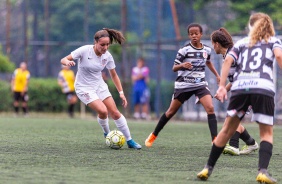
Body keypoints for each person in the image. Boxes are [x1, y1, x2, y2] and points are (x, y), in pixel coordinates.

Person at [197, 12, 282, 184]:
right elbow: (279, 56)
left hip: (241, 87)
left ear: (251, 27)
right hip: (263, 87)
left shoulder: (242, 42)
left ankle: (207, 168)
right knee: (266, 133)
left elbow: (228, 60)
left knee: (227, 129)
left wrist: (221, 87)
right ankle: (262, 172)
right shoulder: (273, 41)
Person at [60, 28, 141, 149]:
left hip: (99, 85)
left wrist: (121, 93)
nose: (105, 47)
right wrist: (67, 62)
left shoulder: (107, 56)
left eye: (107, 44)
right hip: (83, 87)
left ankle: (130, 141)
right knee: (103, 111)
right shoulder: (84, 50)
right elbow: (63, 59)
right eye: (102, 45)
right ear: (96, 42)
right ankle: (107, 133)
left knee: (115, 112)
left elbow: (114, 75)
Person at [145, 23, 220, 147]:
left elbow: (208, 62)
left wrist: (217, 75)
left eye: (196, 34)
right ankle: (154, 134)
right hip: (183, 85)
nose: (194, 36)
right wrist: (182, 65)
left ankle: (215, 140)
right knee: (170, 112)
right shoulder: (184, 50)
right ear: (189, 36)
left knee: (210, 108)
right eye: (191, 34)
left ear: (201, 34)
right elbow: (174, 67)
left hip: (200, 84)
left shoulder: (207, 50)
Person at [211, 27, 259, 156]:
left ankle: (234, 146)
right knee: (230, 120)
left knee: (231, 119)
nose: (213, 47)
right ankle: (251, 143)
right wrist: (222, 90)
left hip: (249, 89)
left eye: (212, 44)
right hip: (243, 90)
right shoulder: (227, 55)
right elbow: (234, 80)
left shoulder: (232, 55)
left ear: (216, 43)